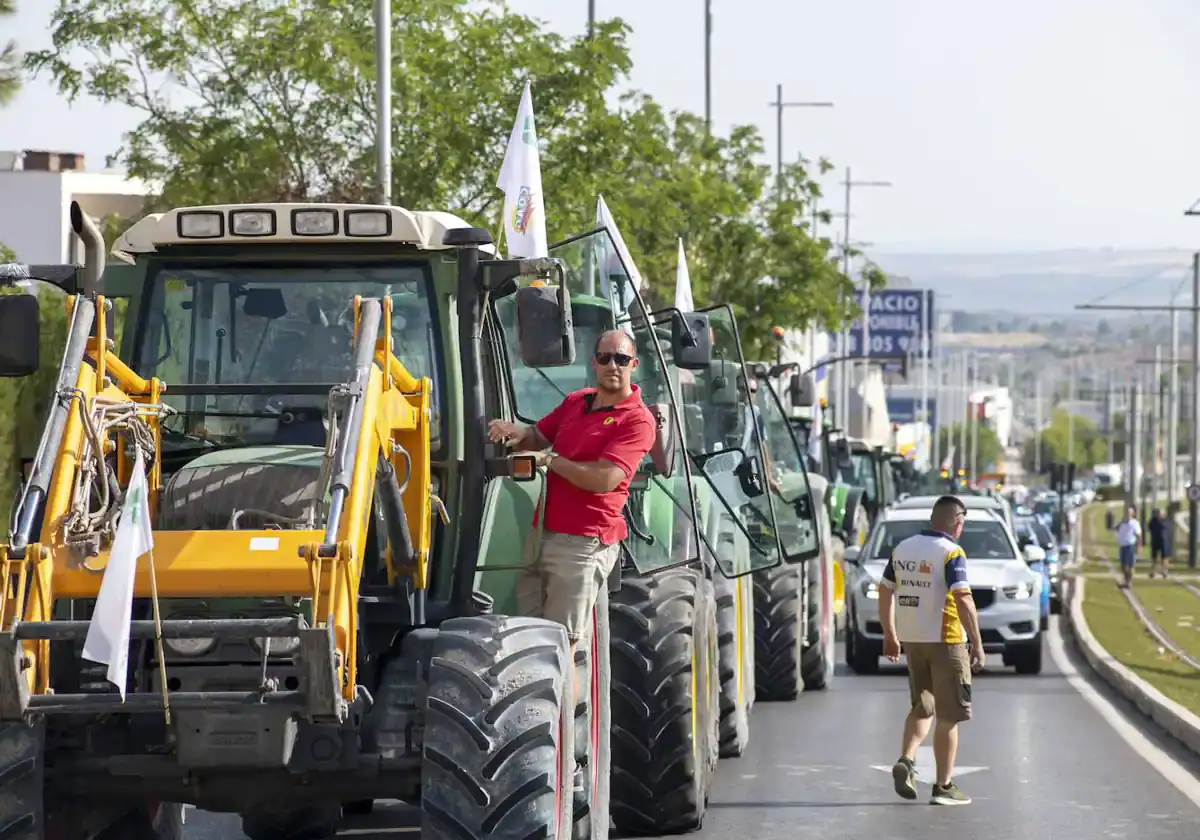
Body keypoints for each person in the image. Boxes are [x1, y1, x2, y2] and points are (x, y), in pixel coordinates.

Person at [486, 329, 657, 780]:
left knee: (564, 648)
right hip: (542, 535)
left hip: (583, 543)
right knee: (526, 644)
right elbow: (536, 436)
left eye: (621, 358)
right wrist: (512, 432)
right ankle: (527, 738)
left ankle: (569, 758)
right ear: (593, 361)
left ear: (633, 365)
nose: (612, 365)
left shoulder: (637, 421)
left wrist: (550, 460)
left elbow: (603, 479)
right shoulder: (578, 401)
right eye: (604, 357)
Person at [879, 495, 984, 806]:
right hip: (947, 640)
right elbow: (963, 599)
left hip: (913, 640)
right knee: (949, 716)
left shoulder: (903, 548)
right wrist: (977, 643)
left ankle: (907, 760)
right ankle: (943, 786)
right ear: (957, 522)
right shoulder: (951, 552)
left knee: (923, 707)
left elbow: (885, 590)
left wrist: (890, 634)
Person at [1115, 506, 1142, 587]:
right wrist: (1120, 523)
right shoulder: (1122, 522)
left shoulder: (1134, 523)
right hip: (1122, 545)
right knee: (1123, 566)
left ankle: (1128, 582)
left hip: (1130, 545)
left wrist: (1139, 546)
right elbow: (1115, 528)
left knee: (1130, 565)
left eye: (1129, 513)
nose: (1127, 515)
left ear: (1131, 514)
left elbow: (1139, 535)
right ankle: (1126, 580)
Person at [1148, 508, 1168, 578]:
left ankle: (1164, 571)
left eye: (1161, 513)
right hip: (1155, 541)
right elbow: (1149, 528)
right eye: (1158, 513)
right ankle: (1152, 571)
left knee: (1164, 557)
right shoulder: (1153, 521)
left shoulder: (1164, 521)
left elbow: (1167, 529)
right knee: (1154, 558)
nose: (1159, 515)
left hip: (1163, 541)